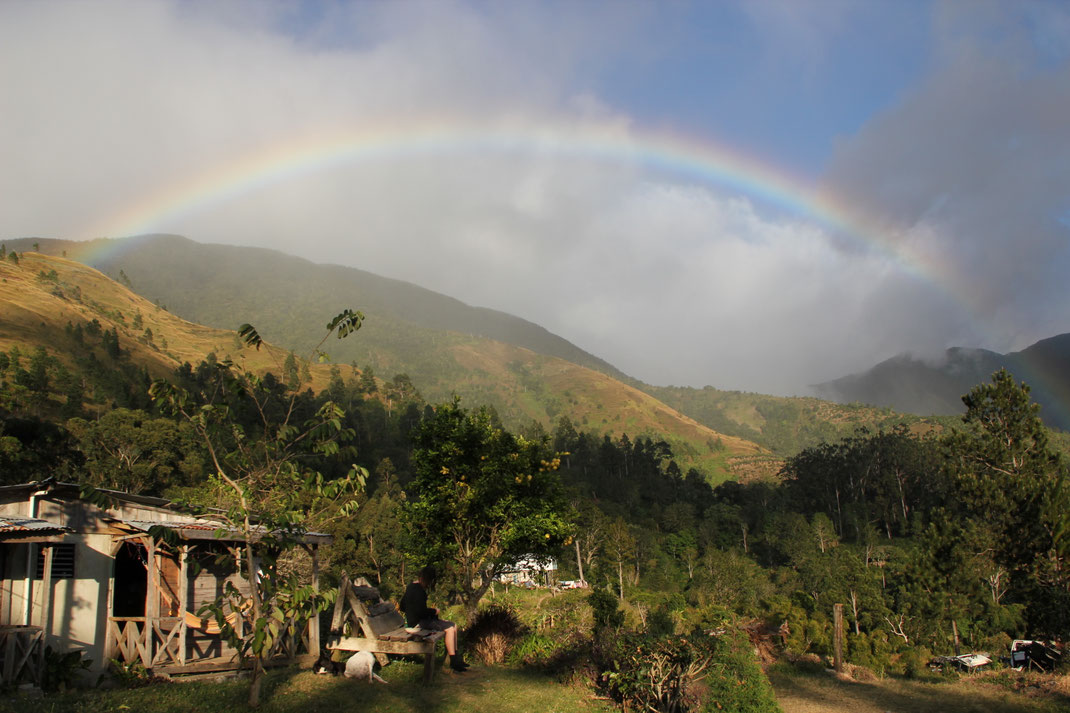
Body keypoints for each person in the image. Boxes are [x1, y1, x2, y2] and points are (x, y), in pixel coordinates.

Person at [400, 565, 469, 672]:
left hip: (417, 621)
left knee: (453, 625)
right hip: (418, 624)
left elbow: (402, 606)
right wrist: (434, 611)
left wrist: (414, 612)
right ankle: (454, 661)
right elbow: (421, 612)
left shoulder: (411, 587)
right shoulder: (420, 592)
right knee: (450, 629)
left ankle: (456, 658)